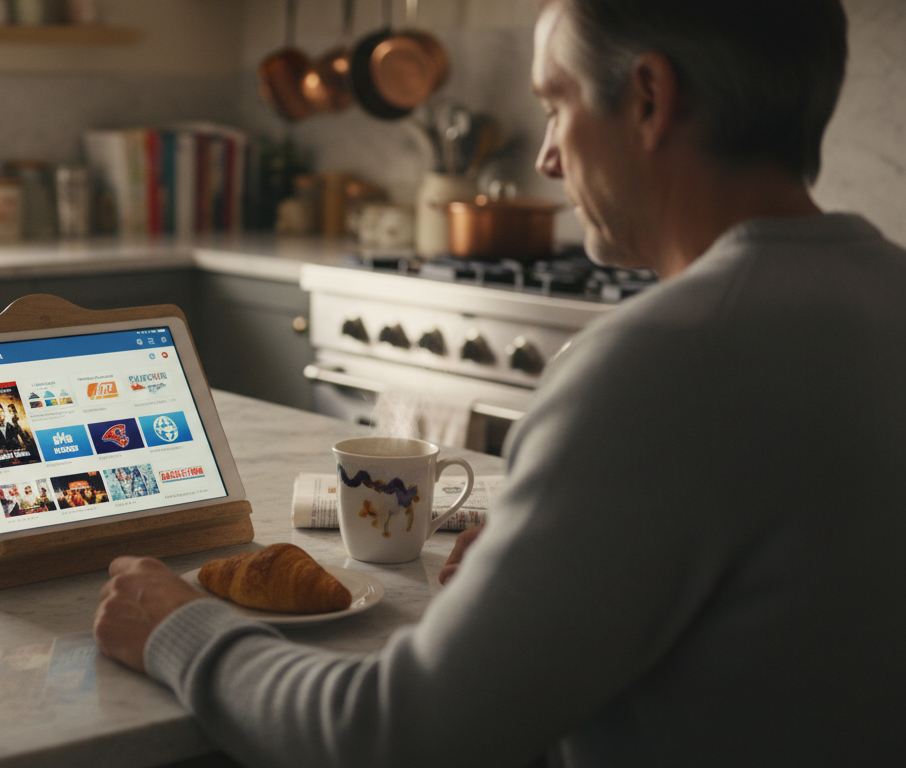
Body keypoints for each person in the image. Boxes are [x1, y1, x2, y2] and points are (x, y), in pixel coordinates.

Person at [93, 0, 906, 765]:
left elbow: (397, 735)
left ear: (651, 98)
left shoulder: (658, 362)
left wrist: (181, 627)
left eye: (556, 104)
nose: (548, 156)